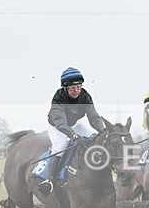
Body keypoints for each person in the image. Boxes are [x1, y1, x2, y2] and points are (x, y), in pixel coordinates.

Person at [39, 67, 105, 195]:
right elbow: (61, 122)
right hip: (57, 126)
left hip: (74, 124)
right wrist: (74, 135)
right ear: (65, 88)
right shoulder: (58, 98)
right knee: (60, 145)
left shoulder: (85, 96)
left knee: (95, 138)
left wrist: (102, 130)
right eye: (72, 88)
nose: (76, 91)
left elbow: (93, 116)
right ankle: (49, 181)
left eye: (79, 87)